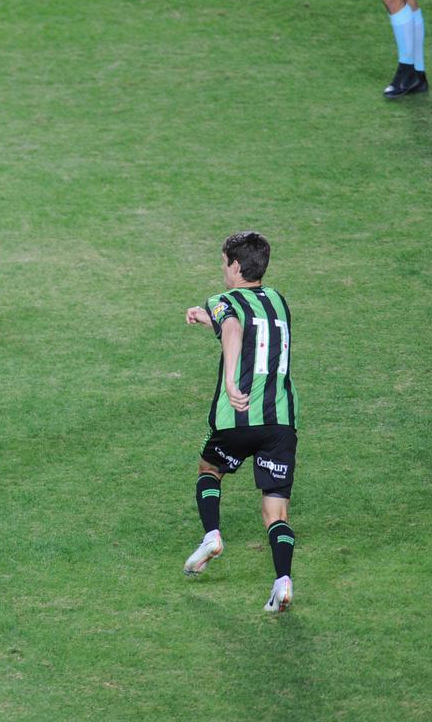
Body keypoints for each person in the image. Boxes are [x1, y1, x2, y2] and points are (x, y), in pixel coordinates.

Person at [182, 232, 299, 613]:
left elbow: (233, 328)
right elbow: (252, 329)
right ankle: (282, 582)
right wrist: (208, 321)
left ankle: (212, 536)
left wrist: (231, 379)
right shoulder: (279, 301)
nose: (222, 269)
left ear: (235, 266)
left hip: (237, 416)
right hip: (280, 422)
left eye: (223, 262)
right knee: (275, 512)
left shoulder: (223, 300)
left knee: (209, 469)